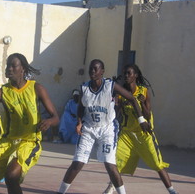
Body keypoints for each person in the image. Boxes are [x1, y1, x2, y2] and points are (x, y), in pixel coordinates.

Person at [0, 53, 59, 194]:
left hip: (29, 142)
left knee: (11, 176)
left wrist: (48, 122)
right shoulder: (1, 92)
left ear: (22, 68)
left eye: (13, 65)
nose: (9, 69)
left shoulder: (37, 89)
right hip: (7, 141)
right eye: (7, 65)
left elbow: (55, 117)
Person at [57, 59, 151, 194]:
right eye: (91, 69)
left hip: (107, 129)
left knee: (110, 165)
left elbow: (132, 98)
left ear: (102, 71)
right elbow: (81, 107)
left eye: (96, 69)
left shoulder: (110, 86)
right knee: (77, 163)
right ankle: (61, 191)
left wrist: (141, 119)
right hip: (89, 128)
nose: (92, 71)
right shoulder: (84, 88)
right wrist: (79, 122)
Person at [103, 64, 178, 194]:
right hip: (127, 134)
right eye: (124, 73)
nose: (126, 76)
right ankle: (111, 188)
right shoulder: (121, 94)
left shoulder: (143, 91)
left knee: (157, 164)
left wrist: (142, 103)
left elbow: (148, 115)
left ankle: (172, 191)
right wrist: (118, 104)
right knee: (116, 162)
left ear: (135, 76)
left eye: (129, 73)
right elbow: (116, 115)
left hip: (144, 134)